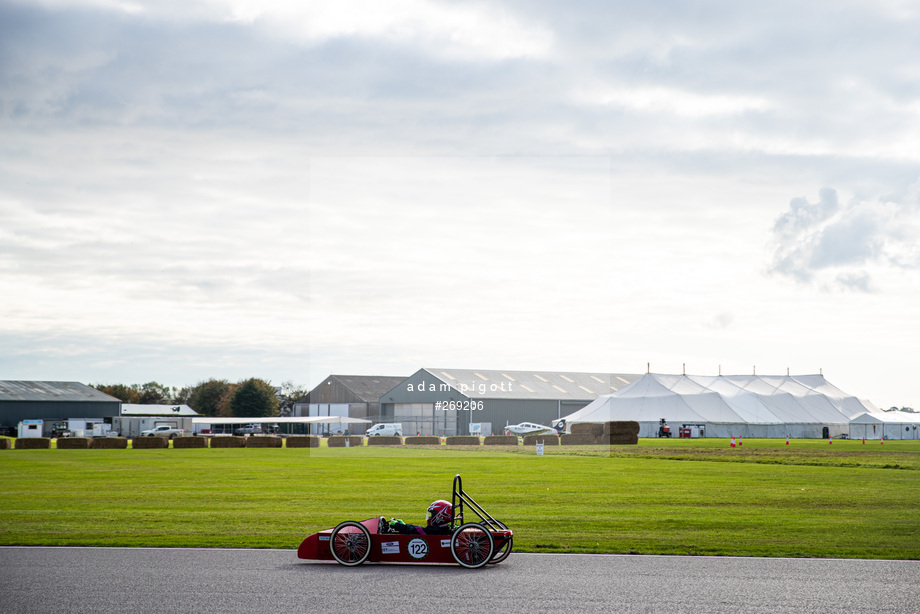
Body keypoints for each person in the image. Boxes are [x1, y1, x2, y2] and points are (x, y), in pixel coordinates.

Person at [379, 500, 453, 535]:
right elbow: (419, 529)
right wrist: (404, 524)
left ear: (440, 516)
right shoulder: (443, 528)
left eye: (432, 514)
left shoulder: (434, 530)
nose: (430, 517)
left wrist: (398, 525)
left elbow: (414, 531)